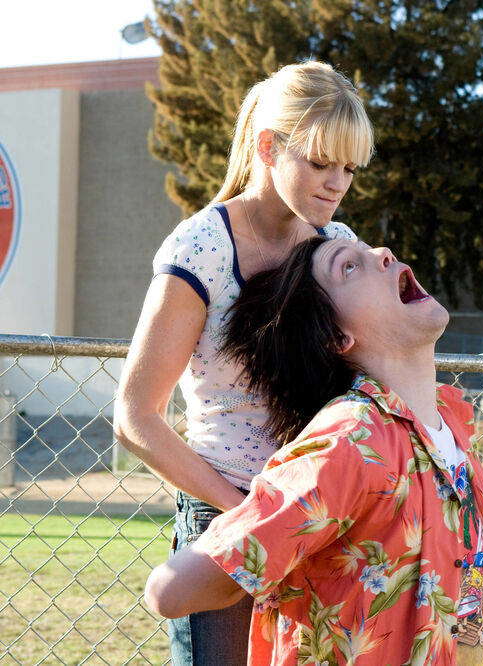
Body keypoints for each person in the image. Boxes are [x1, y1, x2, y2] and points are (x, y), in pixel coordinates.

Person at [143, 235, 483, 666]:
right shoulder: (350, 440)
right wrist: (250, 546)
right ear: (336, 335)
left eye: (369, 252)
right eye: (348, 266)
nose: (383, 253)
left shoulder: (447, 429)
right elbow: (170, 591)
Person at [113, 61, 374, 664]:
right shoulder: (200, 248)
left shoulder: (338, 247)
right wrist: (250, 516)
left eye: (350, 168)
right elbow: (135, 415)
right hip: (223, 508)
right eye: (320, 161)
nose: (337, 183)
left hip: (321, 513)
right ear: (267, 145)